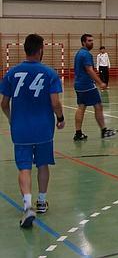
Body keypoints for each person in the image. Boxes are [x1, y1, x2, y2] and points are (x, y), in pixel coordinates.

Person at [0, 34, 65, 228]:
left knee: (24, 167)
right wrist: (60, 119)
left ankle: (28, 206)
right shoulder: (49, 73)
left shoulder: (11, 73)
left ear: (25, 49)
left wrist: (12, 120)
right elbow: (55, 102)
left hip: (20, 129)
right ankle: (42, 201)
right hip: (44, 128)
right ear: (40, 50)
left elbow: (3, 103)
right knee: (43, 164)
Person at [73, 34, 118, 141]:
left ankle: (78, 133)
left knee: (81, 107)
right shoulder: (86, 54)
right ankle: (104, 130)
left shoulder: (79, 53)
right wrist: (100, 83)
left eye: (92, 40)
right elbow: (89, 70)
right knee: (98, 106)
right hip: (87, 85)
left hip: (78, 85)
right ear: (83, 42)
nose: (91, 42)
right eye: (89, 41)